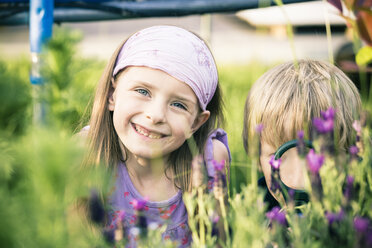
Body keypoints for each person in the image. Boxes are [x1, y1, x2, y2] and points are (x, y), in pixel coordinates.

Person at [82, 25, 230, 247]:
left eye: (178, 104)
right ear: (112, 94)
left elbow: (219, 242)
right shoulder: (86, 154)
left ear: (197, 122)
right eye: (142, 91)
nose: (156, 115)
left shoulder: (208, 162)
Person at [242, 59, 362, 210]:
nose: (297, 179)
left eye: (315, 156)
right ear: (258, 160)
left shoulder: (362, 206)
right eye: (277, 157)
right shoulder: (253, 213)